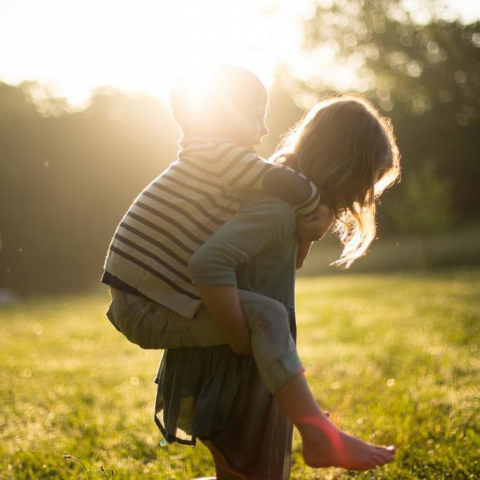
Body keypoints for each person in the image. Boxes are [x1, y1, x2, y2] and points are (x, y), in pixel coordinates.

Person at [155, 96, 401, 478]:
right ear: (342, 169)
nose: (362, 196)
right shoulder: (276, 210)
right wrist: (239, 338)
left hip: (248, 361)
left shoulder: (285, 206)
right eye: (364, 182)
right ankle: (320, 437)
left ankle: (317, 434)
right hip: (233, 365)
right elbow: (208, 263)